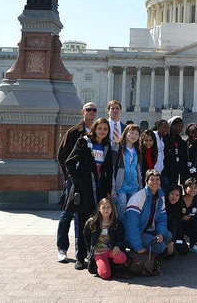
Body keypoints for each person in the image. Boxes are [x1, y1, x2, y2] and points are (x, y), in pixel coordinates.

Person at [64, 118, 115, 270]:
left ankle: (92, 254)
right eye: (100, 128)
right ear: (94, 128)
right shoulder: (83, 142)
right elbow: (69, 163)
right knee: (82, 224)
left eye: (105, 129)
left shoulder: (106, 146)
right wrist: (78, 181)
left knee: (96, 224)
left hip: (99, 190)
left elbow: (109, 169)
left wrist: (108, 188)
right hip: (84, 190)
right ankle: (80, 257)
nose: (102, 131)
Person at [56, 101, 98, 263]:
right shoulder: (74, 132)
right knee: (67, 214)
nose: (92, 112)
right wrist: (69, 176)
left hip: (89, 181)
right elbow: (62, 156)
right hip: (74, 180)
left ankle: (85, 249)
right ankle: (62, 249)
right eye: (89, 109)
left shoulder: (97, 132)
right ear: (83, 112)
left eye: (94, 110)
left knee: (85, 216)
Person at [123, 169, 172, 256]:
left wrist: (161, 234)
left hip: (148, 231)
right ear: (146, 182)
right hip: (134, 233)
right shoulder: (138, 197)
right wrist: (138, 246)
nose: (155, 182)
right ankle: (141, 252)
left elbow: (162, 218)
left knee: (167, 235)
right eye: (152, 180)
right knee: (160, 246)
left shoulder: (161, 196)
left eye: (157, 179)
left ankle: (151, 252)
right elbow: (131, 226)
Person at [83, 198, 127, 279]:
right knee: (105, 275)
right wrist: (90, 250)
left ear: (112, 209)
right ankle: (98, 265)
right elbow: (86, 236)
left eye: (108, 207)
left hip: (110, 249)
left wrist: (117, 246)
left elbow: (120, 237)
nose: (106, 210)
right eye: (103, 207)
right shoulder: (92, 222)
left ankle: (110, 263)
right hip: (99, 252)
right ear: (99, 208)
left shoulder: (116, 223)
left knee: (122, 258)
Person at [112, 124, 142, 219]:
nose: (134, 136)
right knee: (122, 213)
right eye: (132, 132)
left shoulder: (137, 150)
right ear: (125, 133)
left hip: (134, 186)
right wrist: (112, 187)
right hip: (121, 187)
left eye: (137, 134)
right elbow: (112, 168)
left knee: (132, 213)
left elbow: (138, 169)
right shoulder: (118, 148)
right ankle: (121, 233)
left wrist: (140, 186)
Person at [178, 178, 197, 254]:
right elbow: (174, 214)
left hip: (189, 226)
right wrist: (182, 217)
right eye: (190, 187)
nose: (193, 190)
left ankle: (193, 244)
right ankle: (177, 241)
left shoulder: (196, 203)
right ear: (186, 188)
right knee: (182, 251)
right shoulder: (179, 200)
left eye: (195, 188)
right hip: (179, 226)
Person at [162, 116, 189, 190]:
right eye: (178, 126)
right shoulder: (165, 138)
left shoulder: (179, 140)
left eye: (181, 126)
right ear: (172, 125)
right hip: (166, 170)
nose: (180, 128)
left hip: (175, 170)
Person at [163, 184, 184, 258]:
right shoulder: (162, 204)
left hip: (172, 231)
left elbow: (174, 225)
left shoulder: (179, 205)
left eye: (177, 195)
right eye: (172, 194)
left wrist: (172, 242)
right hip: (161, 231)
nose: (174, 197)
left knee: (183, 250)